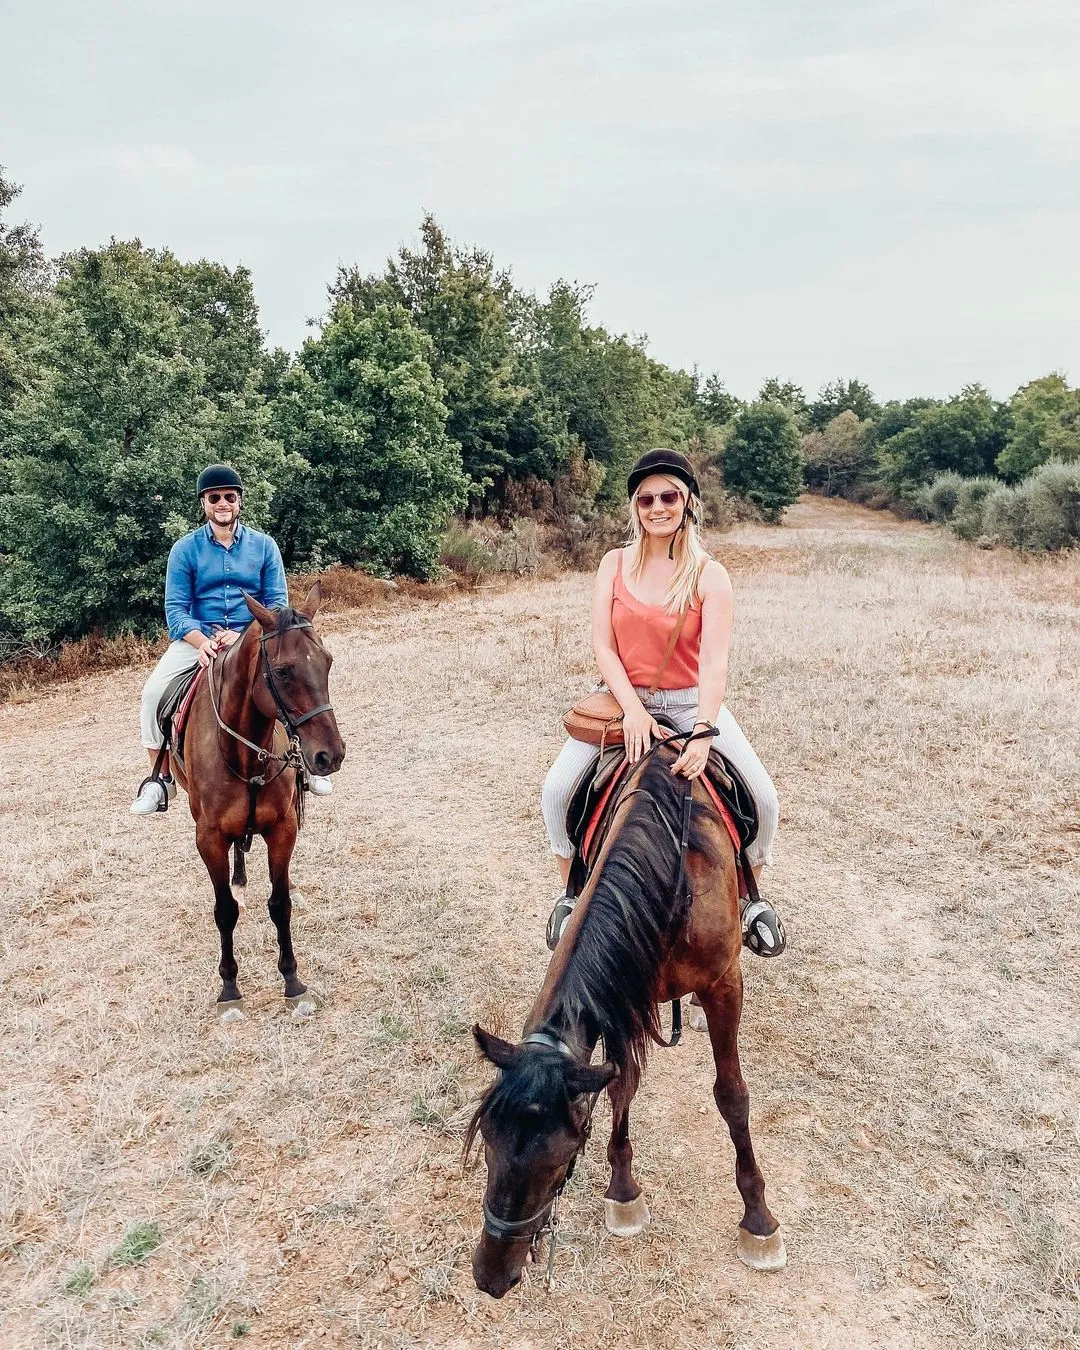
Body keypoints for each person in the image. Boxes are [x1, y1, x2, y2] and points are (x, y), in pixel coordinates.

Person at [540, 448, 785, 956]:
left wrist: (704, 730)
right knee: (557, 790)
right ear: (635, 506)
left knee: (763, 798)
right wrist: (632, 709)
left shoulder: (710, 575)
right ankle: (572, 895)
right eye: (646, 499)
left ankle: (747, 901)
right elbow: (603, 646)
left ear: (688, 501)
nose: (657, 507)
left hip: (691, 701)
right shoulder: (613, 564)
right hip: (621, 698)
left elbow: (713, 662)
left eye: (669, 497)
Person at [130, 464, 333, 814]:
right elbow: (175, 608)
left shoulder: (264, 546)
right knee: (152, 694)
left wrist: (241, 636)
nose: (222, 503)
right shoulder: (184, 549)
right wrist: (203, 641)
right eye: (214, 498)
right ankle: (160, 779)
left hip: (252, 637)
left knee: (291, 684)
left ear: (239, 501)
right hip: (198, 638)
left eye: (229, 497)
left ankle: (303, 765)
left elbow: (276, 604)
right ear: (204, 503)